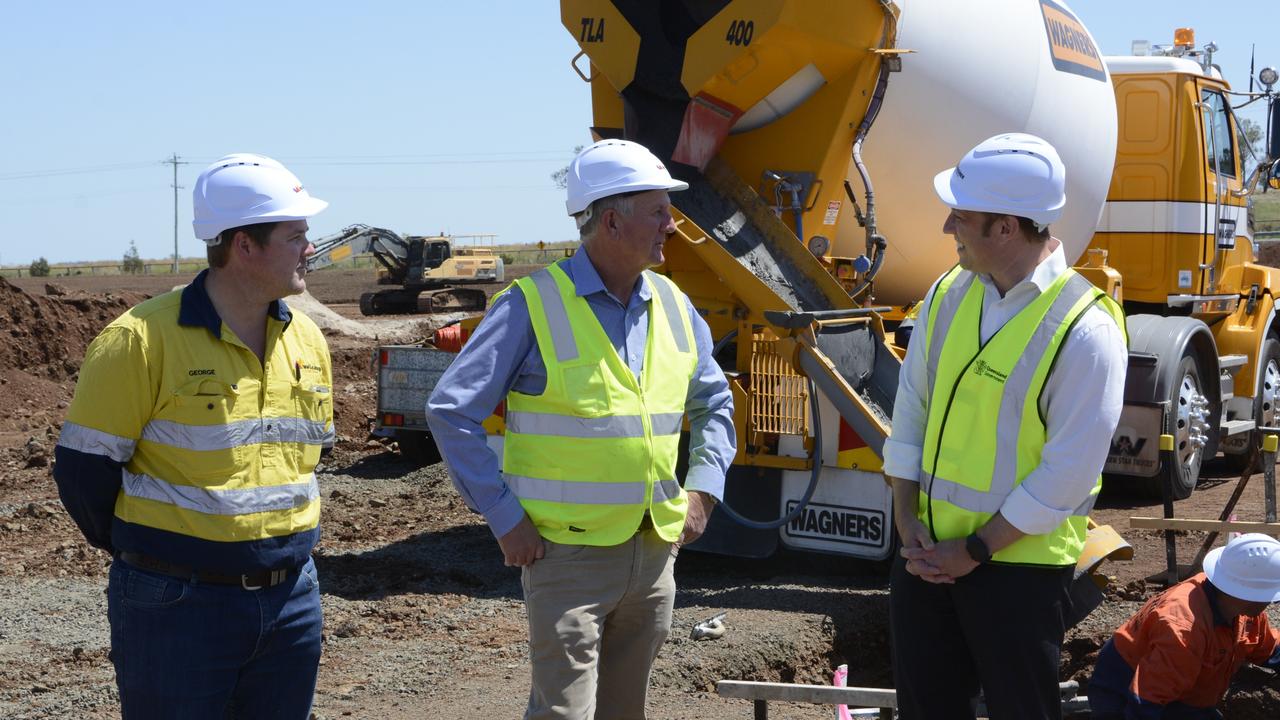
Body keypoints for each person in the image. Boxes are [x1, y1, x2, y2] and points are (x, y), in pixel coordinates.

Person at [425, 138, 735, 719]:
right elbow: (451, 411)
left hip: (652, 552)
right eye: (659, 210)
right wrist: (504, 518)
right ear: (612, 220)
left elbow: (715, 403)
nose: (673, 224)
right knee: (563, 714)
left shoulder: (672, 303)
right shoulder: (531, 305)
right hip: (565, 558)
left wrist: (704, 491)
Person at [53, 153, 334, 719]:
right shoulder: (139, 340)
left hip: (292, 598)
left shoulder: (307, 339)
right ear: (244, 246)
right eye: (296, 235)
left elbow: (307, 460)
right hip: (177, 605)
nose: (311, 249)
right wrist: (155, 553)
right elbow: (83, 473)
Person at [880, 133, 1128, 720]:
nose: (948, 228)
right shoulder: (948, 293)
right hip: (925, 558)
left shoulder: (1086, 329)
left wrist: (974, 550)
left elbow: (1067, 474)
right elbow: (911, 406)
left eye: (961, 216)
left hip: (1018, 571)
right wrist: (905, 515)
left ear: (1007, 228)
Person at [1088, 533, 1280, 719]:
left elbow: (1268, 648)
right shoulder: (1183, 630)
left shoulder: (1241, 609)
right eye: (1270, 594)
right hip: (1126, 695)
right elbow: (1146, 701)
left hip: (1184, 696)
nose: (1272, 601)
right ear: (1248, 593)